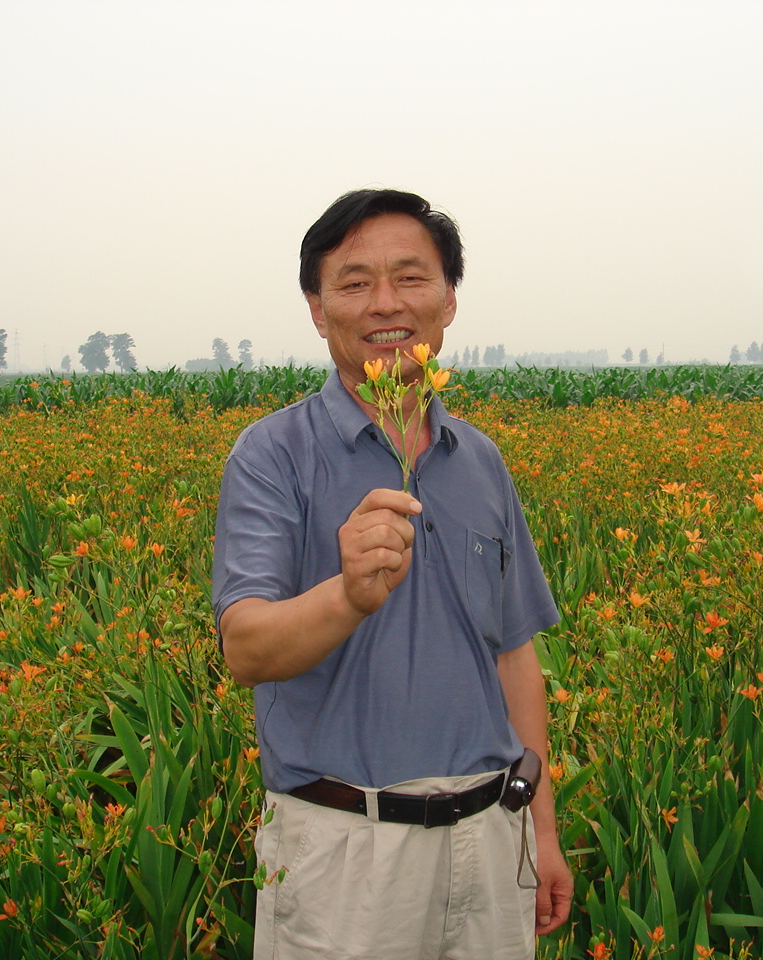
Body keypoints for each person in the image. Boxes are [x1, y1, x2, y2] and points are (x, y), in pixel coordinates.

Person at [212, 188, 572, 959]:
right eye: (354, 282)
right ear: (316, 307)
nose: (386, 304)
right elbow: (245, 648)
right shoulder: (272, 455)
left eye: (411, 278)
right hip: (346, 853)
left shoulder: (477, 458)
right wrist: (346, 595)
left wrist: (542, 827)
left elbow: (513, 656)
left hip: (493, 835)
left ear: (448, 300)